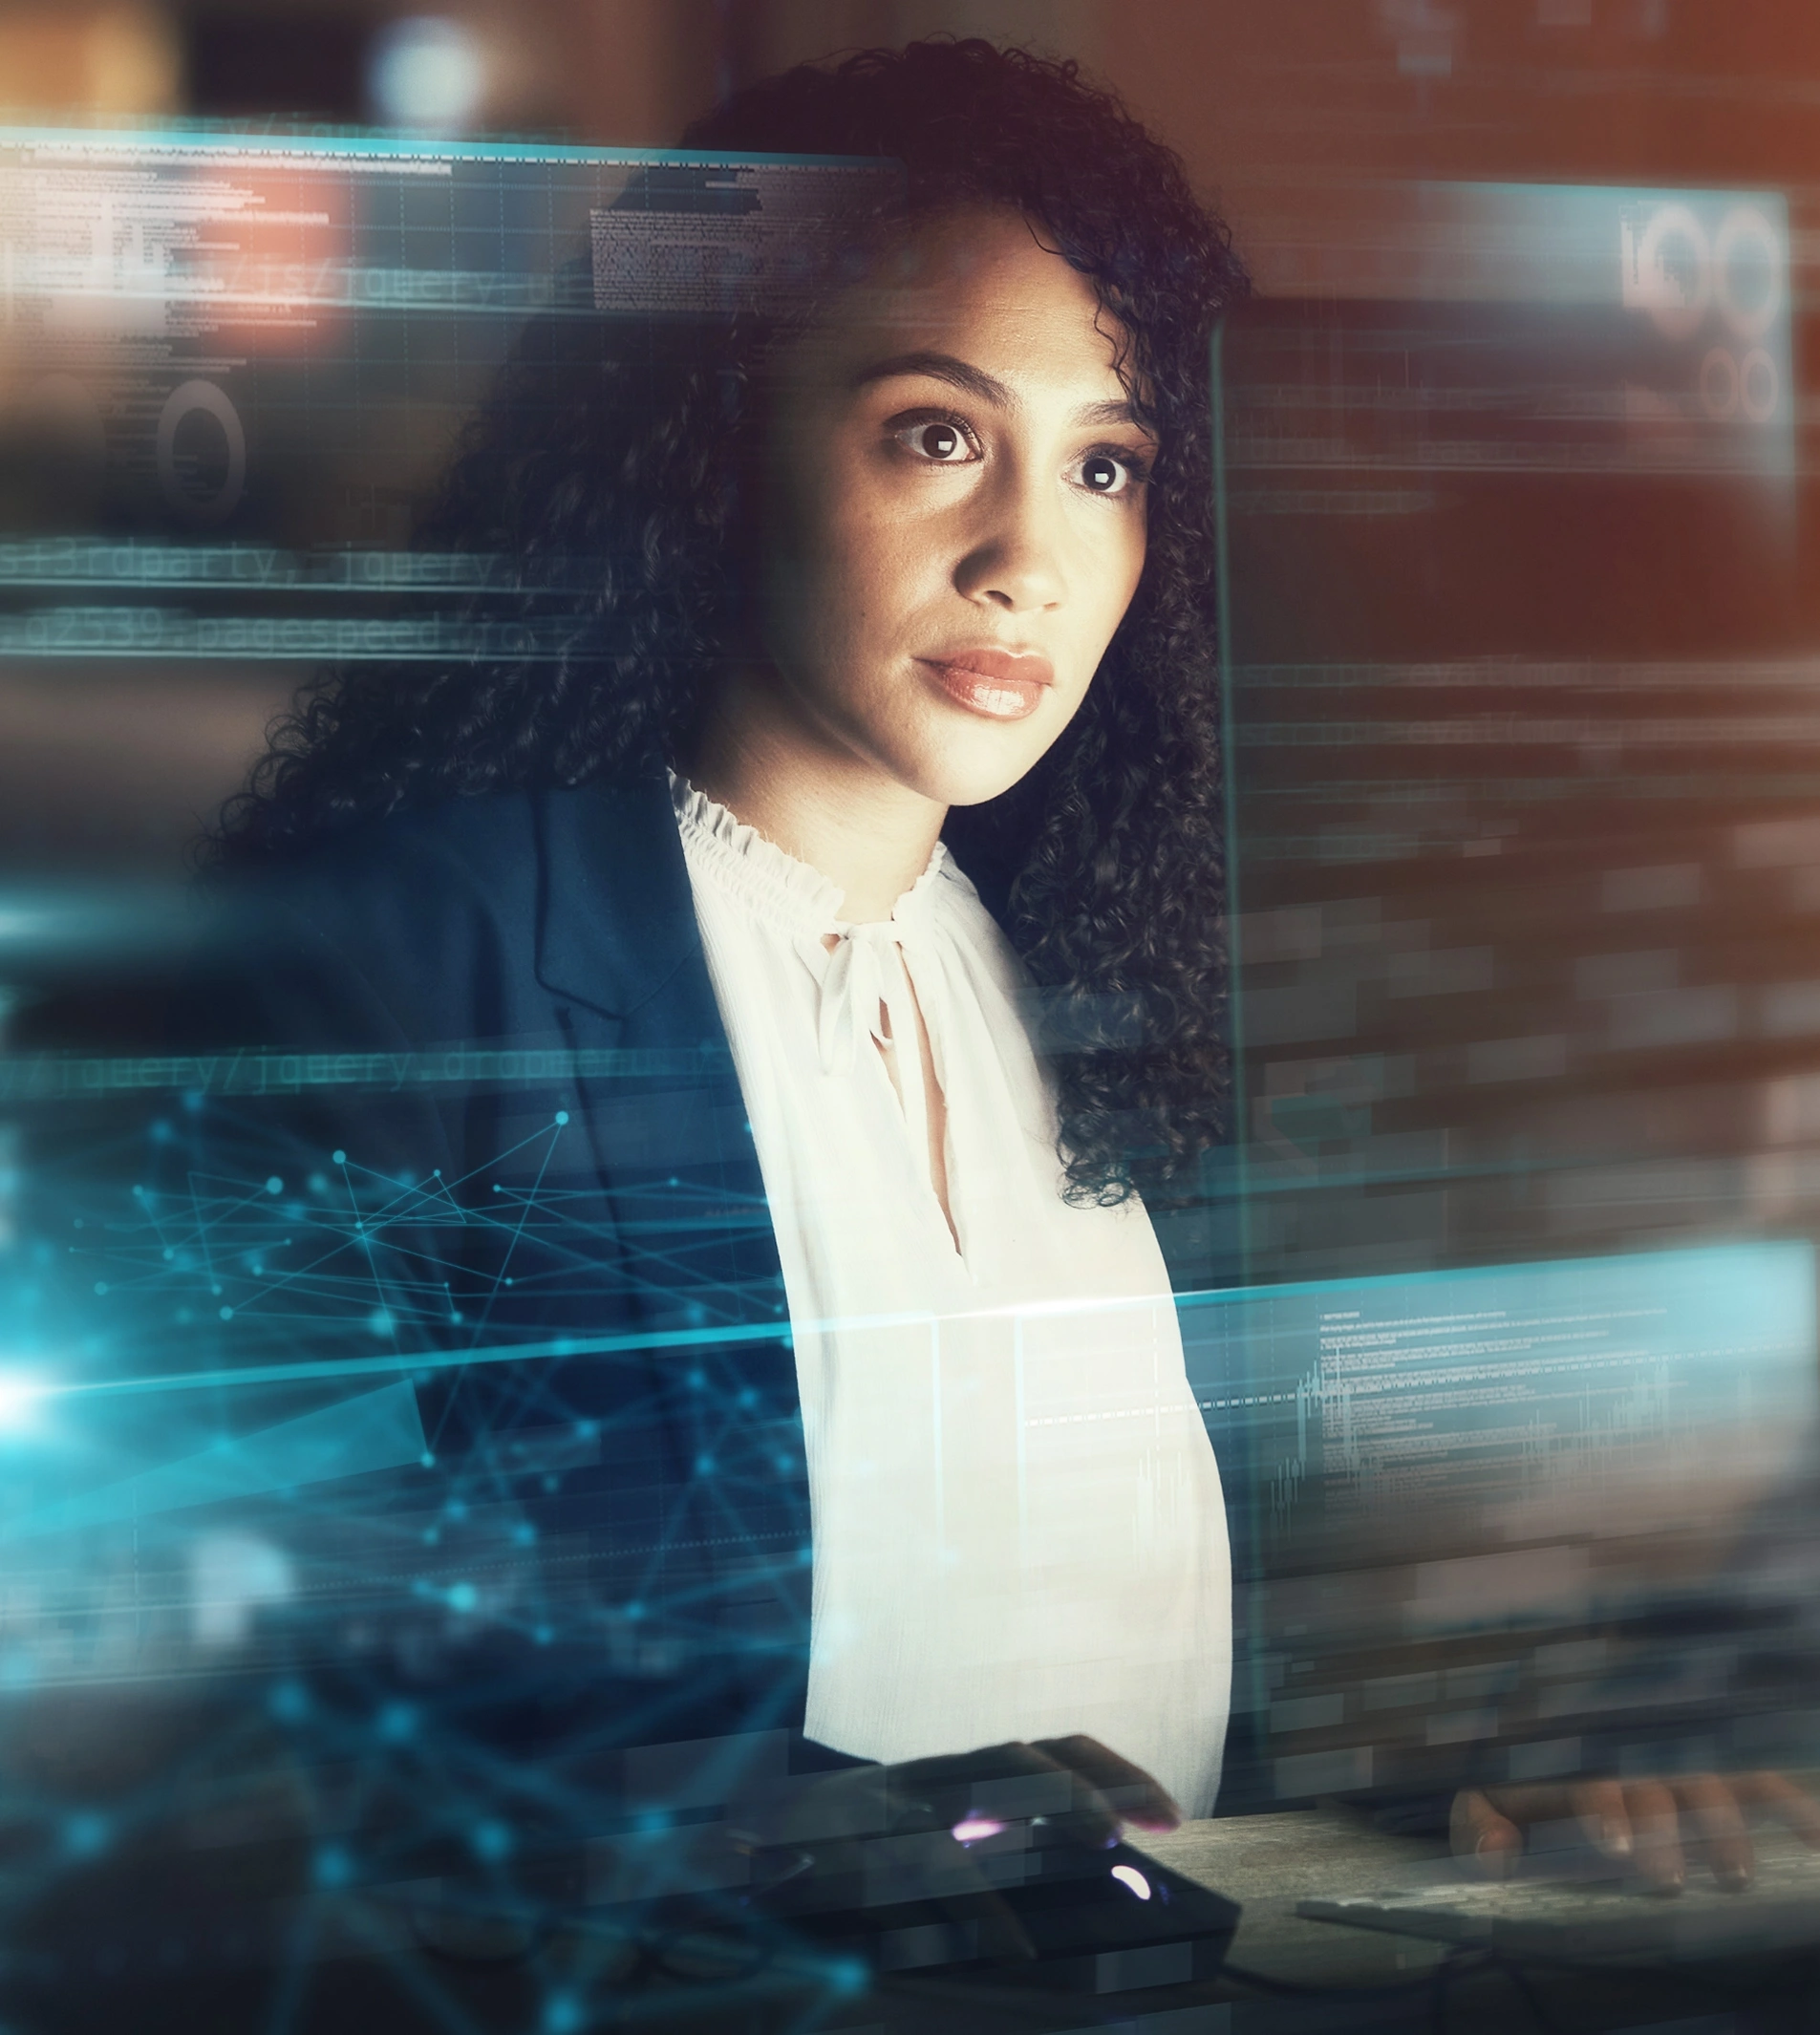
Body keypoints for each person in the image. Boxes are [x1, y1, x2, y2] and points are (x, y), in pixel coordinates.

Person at [182, 38, 1807, 1895]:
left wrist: (1490, 1767)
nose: (1028, 558)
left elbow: (1205, 1640)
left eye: (1106, 465)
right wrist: (917, 1839)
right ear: (712, 433)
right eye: (937, 434)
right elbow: (282, 1692)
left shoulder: (1115, 983)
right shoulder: (408, 959)